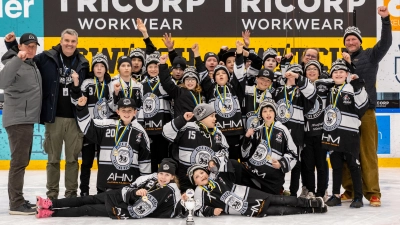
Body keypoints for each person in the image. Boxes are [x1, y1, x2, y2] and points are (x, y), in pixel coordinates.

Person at [4, 29, 89, 199]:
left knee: (72, 160)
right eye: (66, 40)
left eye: (73, 41)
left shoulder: (83, 63)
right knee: (53, 160)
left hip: (74, 119)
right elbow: (24, 60)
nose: (69, 44)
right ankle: (52, 196)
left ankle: (71, 195)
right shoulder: (46, 57)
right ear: (61, 40)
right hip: (53, 118)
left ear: (77, 43)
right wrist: (12, 46)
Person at [340, 6, 392, 207]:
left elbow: (386, 42)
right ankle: (350, 189)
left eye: (354, 39)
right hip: (346, 113)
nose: (350, 42)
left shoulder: (370, 55)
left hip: (366, 111)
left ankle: (372, 192)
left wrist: (386, 20)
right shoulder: (340, 62)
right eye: (347, 39)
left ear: (360, 42)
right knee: (345, 151)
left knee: (368, 151)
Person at [185, 154, 327, 217]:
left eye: (201, 173)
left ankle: (310, 202)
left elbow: (224, 160)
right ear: (195, 182)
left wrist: (213, 161)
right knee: (278, 210)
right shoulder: (198, 192)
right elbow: (196, 209)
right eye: (197, 177)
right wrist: (210, 211)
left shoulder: (214, 176)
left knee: (279, 199)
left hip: (248, 193)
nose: (201, 176)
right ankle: (309, 211)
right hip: (242, 209)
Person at [35, 158, 182, 219]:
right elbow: (131, 187)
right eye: (161, 173)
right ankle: (51, 203)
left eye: (167, 175)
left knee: (87, 209)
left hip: (124, 209)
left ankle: (50, 214)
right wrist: (134, 193)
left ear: (172, 177)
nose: (162, 177)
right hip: (121, 197)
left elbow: (174, 207)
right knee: (89, 198)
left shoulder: (171, 189)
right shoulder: (150, 177)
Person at [0, 33, 42, 215]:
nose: (32, 49)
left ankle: (18, 199)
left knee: (21, 161)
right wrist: (17, 56)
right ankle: (16, 203)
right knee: (18, 162)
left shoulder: (30, 63)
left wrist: (12, 46)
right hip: (18, 120)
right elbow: (2, 81)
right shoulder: (16, 63)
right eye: (29, 46)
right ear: (21, 47)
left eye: (34, 46)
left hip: (25, 119)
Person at [76, 97, 151, 191]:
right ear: (118, 111)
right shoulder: (106, 125)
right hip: (105, 186)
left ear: (135, 112)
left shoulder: (141, 132)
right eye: (123, 110)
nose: (126, 113)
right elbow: (87, 126)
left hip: (129, 190)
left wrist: (144, 187)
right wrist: (82, 108)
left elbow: (145, 162)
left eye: (129, 110)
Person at [322, 59, 369, 208]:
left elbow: (362, 105)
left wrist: (357, 84)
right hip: (333, 133)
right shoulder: (329, 90)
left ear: (347, 74)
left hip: (350, 134)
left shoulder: (352, 88)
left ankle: (358, 197)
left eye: (341, 71)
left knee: (353, 165)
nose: (338, 74)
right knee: (336, 166)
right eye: (335, 72)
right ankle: (336, 195)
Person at [70, 53, 113, 196]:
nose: (99, 69)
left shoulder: (111, 84)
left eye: (102, 66)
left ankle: (102, 190)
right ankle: (84, 191)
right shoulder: (87, 83)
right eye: (96, 66)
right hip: (90, 128)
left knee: (103, 162)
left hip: (105, 129)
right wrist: (76, 84)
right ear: (93, 69)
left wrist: (117, 94)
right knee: (87, 162)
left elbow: (114, 107)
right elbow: (76, 101)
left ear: (106, 68)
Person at [162, 103, 229, 192]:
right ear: (203, 117)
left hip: (208, 179)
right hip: (186, 180)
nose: (215, 119)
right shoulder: (186, 127)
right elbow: (166, 132)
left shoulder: (218, 133)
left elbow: (225, 151)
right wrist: (182, 119)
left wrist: (215, 161)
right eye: (212, 116)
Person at [273, 64, 317, 196]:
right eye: (291, 72)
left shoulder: (302, 92)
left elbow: (312, 92)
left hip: (296, 134)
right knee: (278, 162)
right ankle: (278, 189)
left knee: (296, 165)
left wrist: (298, 77)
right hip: (279, 133)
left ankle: (293, 193)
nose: (293, 75)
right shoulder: (278, 90)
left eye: (297, 74)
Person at [240, 98, 297, 195]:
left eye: (270, 110)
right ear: (261, 114)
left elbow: (293, 153)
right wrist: (247, 138)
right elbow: (244, 155)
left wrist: (281, 163)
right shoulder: (257, 130)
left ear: (275, 113)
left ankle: (280, 193)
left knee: (270, 201)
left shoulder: (283, 130)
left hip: (273, 179)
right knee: (234, 165)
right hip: (256, 175)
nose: (268, 114)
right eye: (265, 111)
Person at [301, 60, 333, 199]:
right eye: (309, 69)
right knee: (307, 164)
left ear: (319, 72)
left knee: (321, 164)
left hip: (321, 132)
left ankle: (322, 191)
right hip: (306, 133)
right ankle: (310, 190)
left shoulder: (325, 85)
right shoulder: (300, 87)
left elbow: (341, 80)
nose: (312, 71)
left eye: (315, 69)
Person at [137, 52, 172, 172]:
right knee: (150, 158)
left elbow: (168, 93)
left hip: (163, 126)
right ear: (146, 68)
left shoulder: (165, 82)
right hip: (148, 128)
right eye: (150, 66)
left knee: (163, 157)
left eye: (156, 66)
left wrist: (163, 75)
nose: (153, 69)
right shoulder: (141, 85)